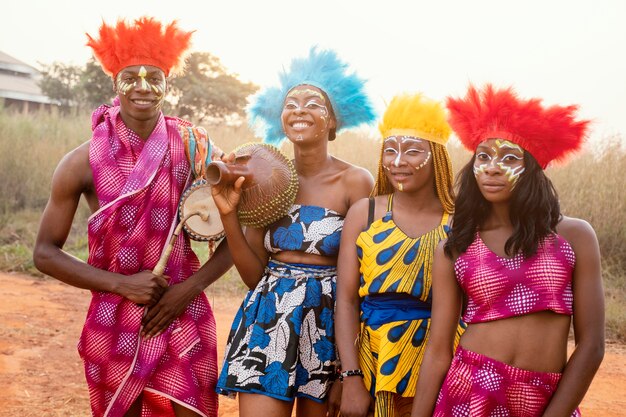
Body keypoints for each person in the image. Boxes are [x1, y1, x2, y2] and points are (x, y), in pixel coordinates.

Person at [33, 17, 232, 417]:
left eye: (153, 76)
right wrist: (122, 285)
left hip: (182, 309)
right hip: (114, 317)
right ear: (114, 84)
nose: (142, 86)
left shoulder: (196, 148)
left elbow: (237, 236)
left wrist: (187, 289)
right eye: (131, 76)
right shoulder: (81, 162)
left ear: (167, 84)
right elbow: (43, 252)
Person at [411, 85, 605, 417]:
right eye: (483, 157)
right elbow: (439, 351)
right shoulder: (455, 246)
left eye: (509, 158)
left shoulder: (574, 236)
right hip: (469, 390)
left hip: (544, 398)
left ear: (532, 167)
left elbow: (592, 346)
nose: (492, 167)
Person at [212, 47, 377, 417]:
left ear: (333, 122)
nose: (300, 109)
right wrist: (229, 218)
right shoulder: (264, 179)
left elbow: (363, 280)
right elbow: (254, 276)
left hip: (328, 326)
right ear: (281, 117)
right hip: (269, 318)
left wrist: (348, 373)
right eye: (291, 103)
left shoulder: (354, 181)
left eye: (313, 103)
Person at [335, 93, 466, 417]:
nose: (397, 161)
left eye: (412, 151)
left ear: (436, 156)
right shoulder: (364, 214)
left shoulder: (461, 219)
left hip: (444, 359)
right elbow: (347, 300)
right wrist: (350, 378)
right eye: (390, 150)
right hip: (375, 359)